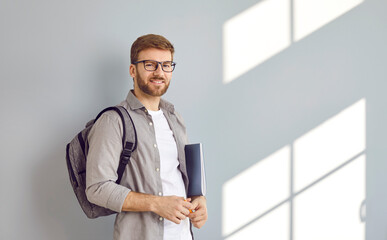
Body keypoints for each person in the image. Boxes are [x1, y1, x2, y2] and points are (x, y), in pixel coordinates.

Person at [85, 34, 208, 240]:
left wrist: (199, 199)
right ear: (133, 70)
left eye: (166, 65)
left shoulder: (175, 117)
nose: (159, 72)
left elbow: (179, 176)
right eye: (150, 65)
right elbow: (97, 188)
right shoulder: (113, 120)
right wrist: (157, 203)